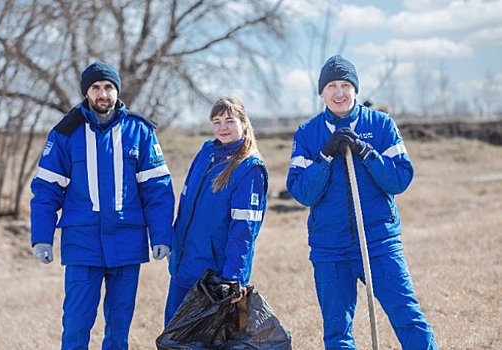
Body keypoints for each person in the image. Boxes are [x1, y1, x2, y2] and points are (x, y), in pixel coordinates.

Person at [286, 55, 437, 349]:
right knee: (337, 331)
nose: (339, 92)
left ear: (355, 90)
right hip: (330, 247)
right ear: (321, 93)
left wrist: (367, 152)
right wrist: (325, 156)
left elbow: (400, 179)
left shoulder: (381, 125)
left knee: (408, 317)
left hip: (379, 243)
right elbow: (303, 192)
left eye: (345, 85)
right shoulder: (308, 134)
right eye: (331, 86)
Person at [30, 61, 175, 349]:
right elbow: (46, 190)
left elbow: (157, 190)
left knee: (119, 325)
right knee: (76, 323)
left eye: (108, 87)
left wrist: (161, 236)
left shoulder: (140, 131)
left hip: (127, 241)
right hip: (82, 243)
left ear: (116, 91)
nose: (102, 94)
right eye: (95, 88)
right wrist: (41, 238)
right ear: (86, 93)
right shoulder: (65, 132)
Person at [164, 97, 268, 327]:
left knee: (206, 341)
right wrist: (174, 243)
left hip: (215, 277)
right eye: (217, 121)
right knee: (173, 336)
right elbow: (184, 208)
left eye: (230, 121)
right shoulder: (205, 153)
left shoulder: (249, 169)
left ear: (244, 123)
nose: (223, 127)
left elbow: (244, 231)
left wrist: (235, 277)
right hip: (184, 266)